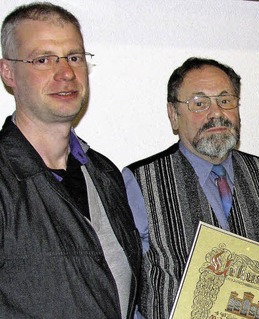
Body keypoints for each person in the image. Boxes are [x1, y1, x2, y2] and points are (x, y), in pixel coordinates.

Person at [123, 57, 259, 319]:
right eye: (200, 103)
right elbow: (125, 283)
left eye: (226, 101)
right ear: (173, 115)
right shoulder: (140, 181)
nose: (216, 113)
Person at [0, 2, 142, 318]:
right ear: (8, 72)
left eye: (74, 58)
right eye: (43, 59)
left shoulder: (105, 174)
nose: (66, 73)